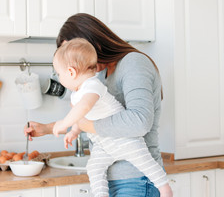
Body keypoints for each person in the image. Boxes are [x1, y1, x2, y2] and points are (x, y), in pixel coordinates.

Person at [25, 13, 173, 197]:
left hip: (136, 178)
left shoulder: (133, 63)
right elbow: (89, 117)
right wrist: (48, 128)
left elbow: (140, 121)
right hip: (112, 178)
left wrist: (88, 125)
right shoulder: (99, 77)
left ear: (91, 44)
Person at [52, 38, 168, 197]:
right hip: (104, 145)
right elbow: (83, 117)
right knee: (94, 168)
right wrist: (73, 131)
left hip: (123, 140)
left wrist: (65, 123)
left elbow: (85, 107)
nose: (59, 77)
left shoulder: (92, 85)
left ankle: (164, 188)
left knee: (144, 160)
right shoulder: (77, 94)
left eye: (59, 73)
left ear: (71, 72)